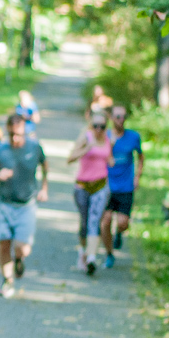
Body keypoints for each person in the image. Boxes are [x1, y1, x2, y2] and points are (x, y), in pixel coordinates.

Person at [0, 113, 49, 297]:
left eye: (19, 135)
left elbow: (45, 166)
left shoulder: (34, 147)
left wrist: (44, 188)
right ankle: (7, 280)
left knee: (22, 247)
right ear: (7, 131)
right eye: (12, 134)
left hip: (26, 204)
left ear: (25, 131)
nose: (15, 139)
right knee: (4, 244)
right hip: (4, 204)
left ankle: (19, 259)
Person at [67, 110, 113, 275]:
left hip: (100, 185)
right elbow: (70, 159)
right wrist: (87, 148)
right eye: (96, 126)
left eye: (102, 126)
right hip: (82, 186)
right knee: (85, 223)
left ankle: (92, 258)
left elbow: (110, 159)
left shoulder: (108, 140)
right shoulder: (85, 138)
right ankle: (83, 252)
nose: (99, 129)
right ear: (91, 125)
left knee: (95, 221)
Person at [101, 104, 145, 266]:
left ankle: (118, 233)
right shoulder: (104, 135)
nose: (121, 120)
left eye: (124, 117)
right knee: (105, 222)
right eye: (118, 117)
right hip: (107, 186)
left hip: (126, 187)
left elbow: (141, 157)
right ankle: (109, 253)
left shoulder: (133, 137)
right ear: (112, 118)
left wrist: (137, 176)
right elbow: (99, 157)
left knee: (122, 223)